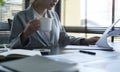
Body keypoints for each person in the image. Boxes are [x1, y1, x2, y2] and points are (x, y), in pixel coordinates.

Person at [8, 0, 99, 49]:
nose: (56, 0)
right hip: (31, 63)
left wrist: (84, 41)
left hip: (54, 59)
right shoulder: (20, 17)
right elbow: (12, 45)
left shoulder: (54, 16)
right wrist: (25, 34)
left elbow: (64, 38)